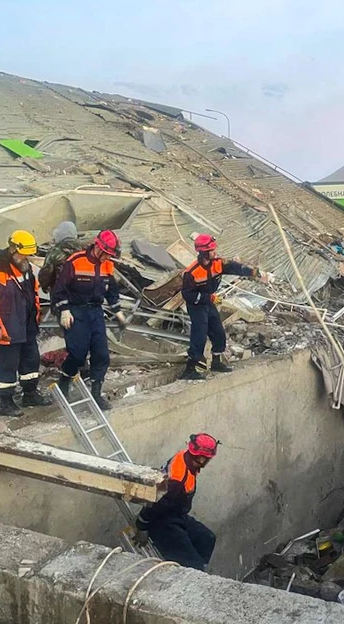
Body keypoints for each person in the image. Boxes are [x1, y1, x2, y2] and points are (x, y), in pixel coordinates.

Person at [52, 230, 125, 409]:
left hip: (95, 312)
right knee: (77, 354)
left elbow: (111, 291)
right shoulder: (75, 262)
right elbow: (59, 289)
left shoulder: (107, 265)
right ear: (99, 248)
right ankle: (65, 378)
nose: (108, 257)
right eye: (107, 253)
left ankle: (96, 393)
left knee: (101, 354)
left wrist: (118, 313)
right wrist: (64, 310)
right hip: (75, 311)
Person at [0, 231, 46, 417]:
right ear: (13, 248)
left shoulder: (26, 268)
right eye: (25, 254)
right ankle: (6, 403)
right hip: (6, 330)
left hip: (27, 326)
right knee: (8, 365)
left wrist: (36, 317)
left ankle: (30, 394)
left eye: (29, 255)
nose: (27, 258)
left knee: (31, 362)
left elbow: (34, 294)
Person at [180, 234, 266, 380]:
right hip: (197, 306)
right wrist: (209, 297)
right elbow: (187, 295)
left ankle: (216, 362)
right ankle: (189, 369)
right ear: (204, 252)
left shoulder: (217, 263)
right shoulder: (192, 272)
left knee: (218, 332)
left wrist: (251, 271)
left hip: (209, 303)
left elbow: (233, 267)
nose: (216, 252)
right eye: (212, 250)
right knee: (199, 335)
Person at [135, 433, 219, 570]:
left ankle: (201, 573)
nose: (204, 462)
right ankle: (194, 575)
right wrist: (142, 526)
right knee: (194, 566)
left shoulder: (186, 459)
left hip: (177, 515)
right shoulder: (177, 478)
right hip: (162, 523)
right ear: (198, 456)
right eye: (203, 458)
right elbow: (156, 504)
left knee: (207, 538)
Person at [38, 221, 83, 293]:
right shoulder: (85, 250)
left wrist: (45, 288)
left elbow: (46, 273)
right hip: (83, 293)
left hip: (61, 294)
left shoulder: (55, 251)